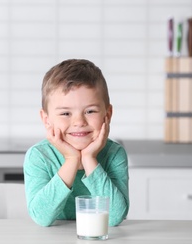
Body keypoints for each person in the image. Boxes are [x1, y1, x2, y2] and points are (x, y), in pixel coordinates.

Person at [23, 59, 129, 227]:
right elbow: (41, 218)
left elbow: (115, 217)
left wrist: (89, 159)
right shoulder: (39, 156)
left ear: (107, 114)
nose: (79, 121)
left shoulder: (114, 154)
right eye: (65, 113)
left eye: (90, 111)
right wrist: (72, 160)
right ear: (46, 119)